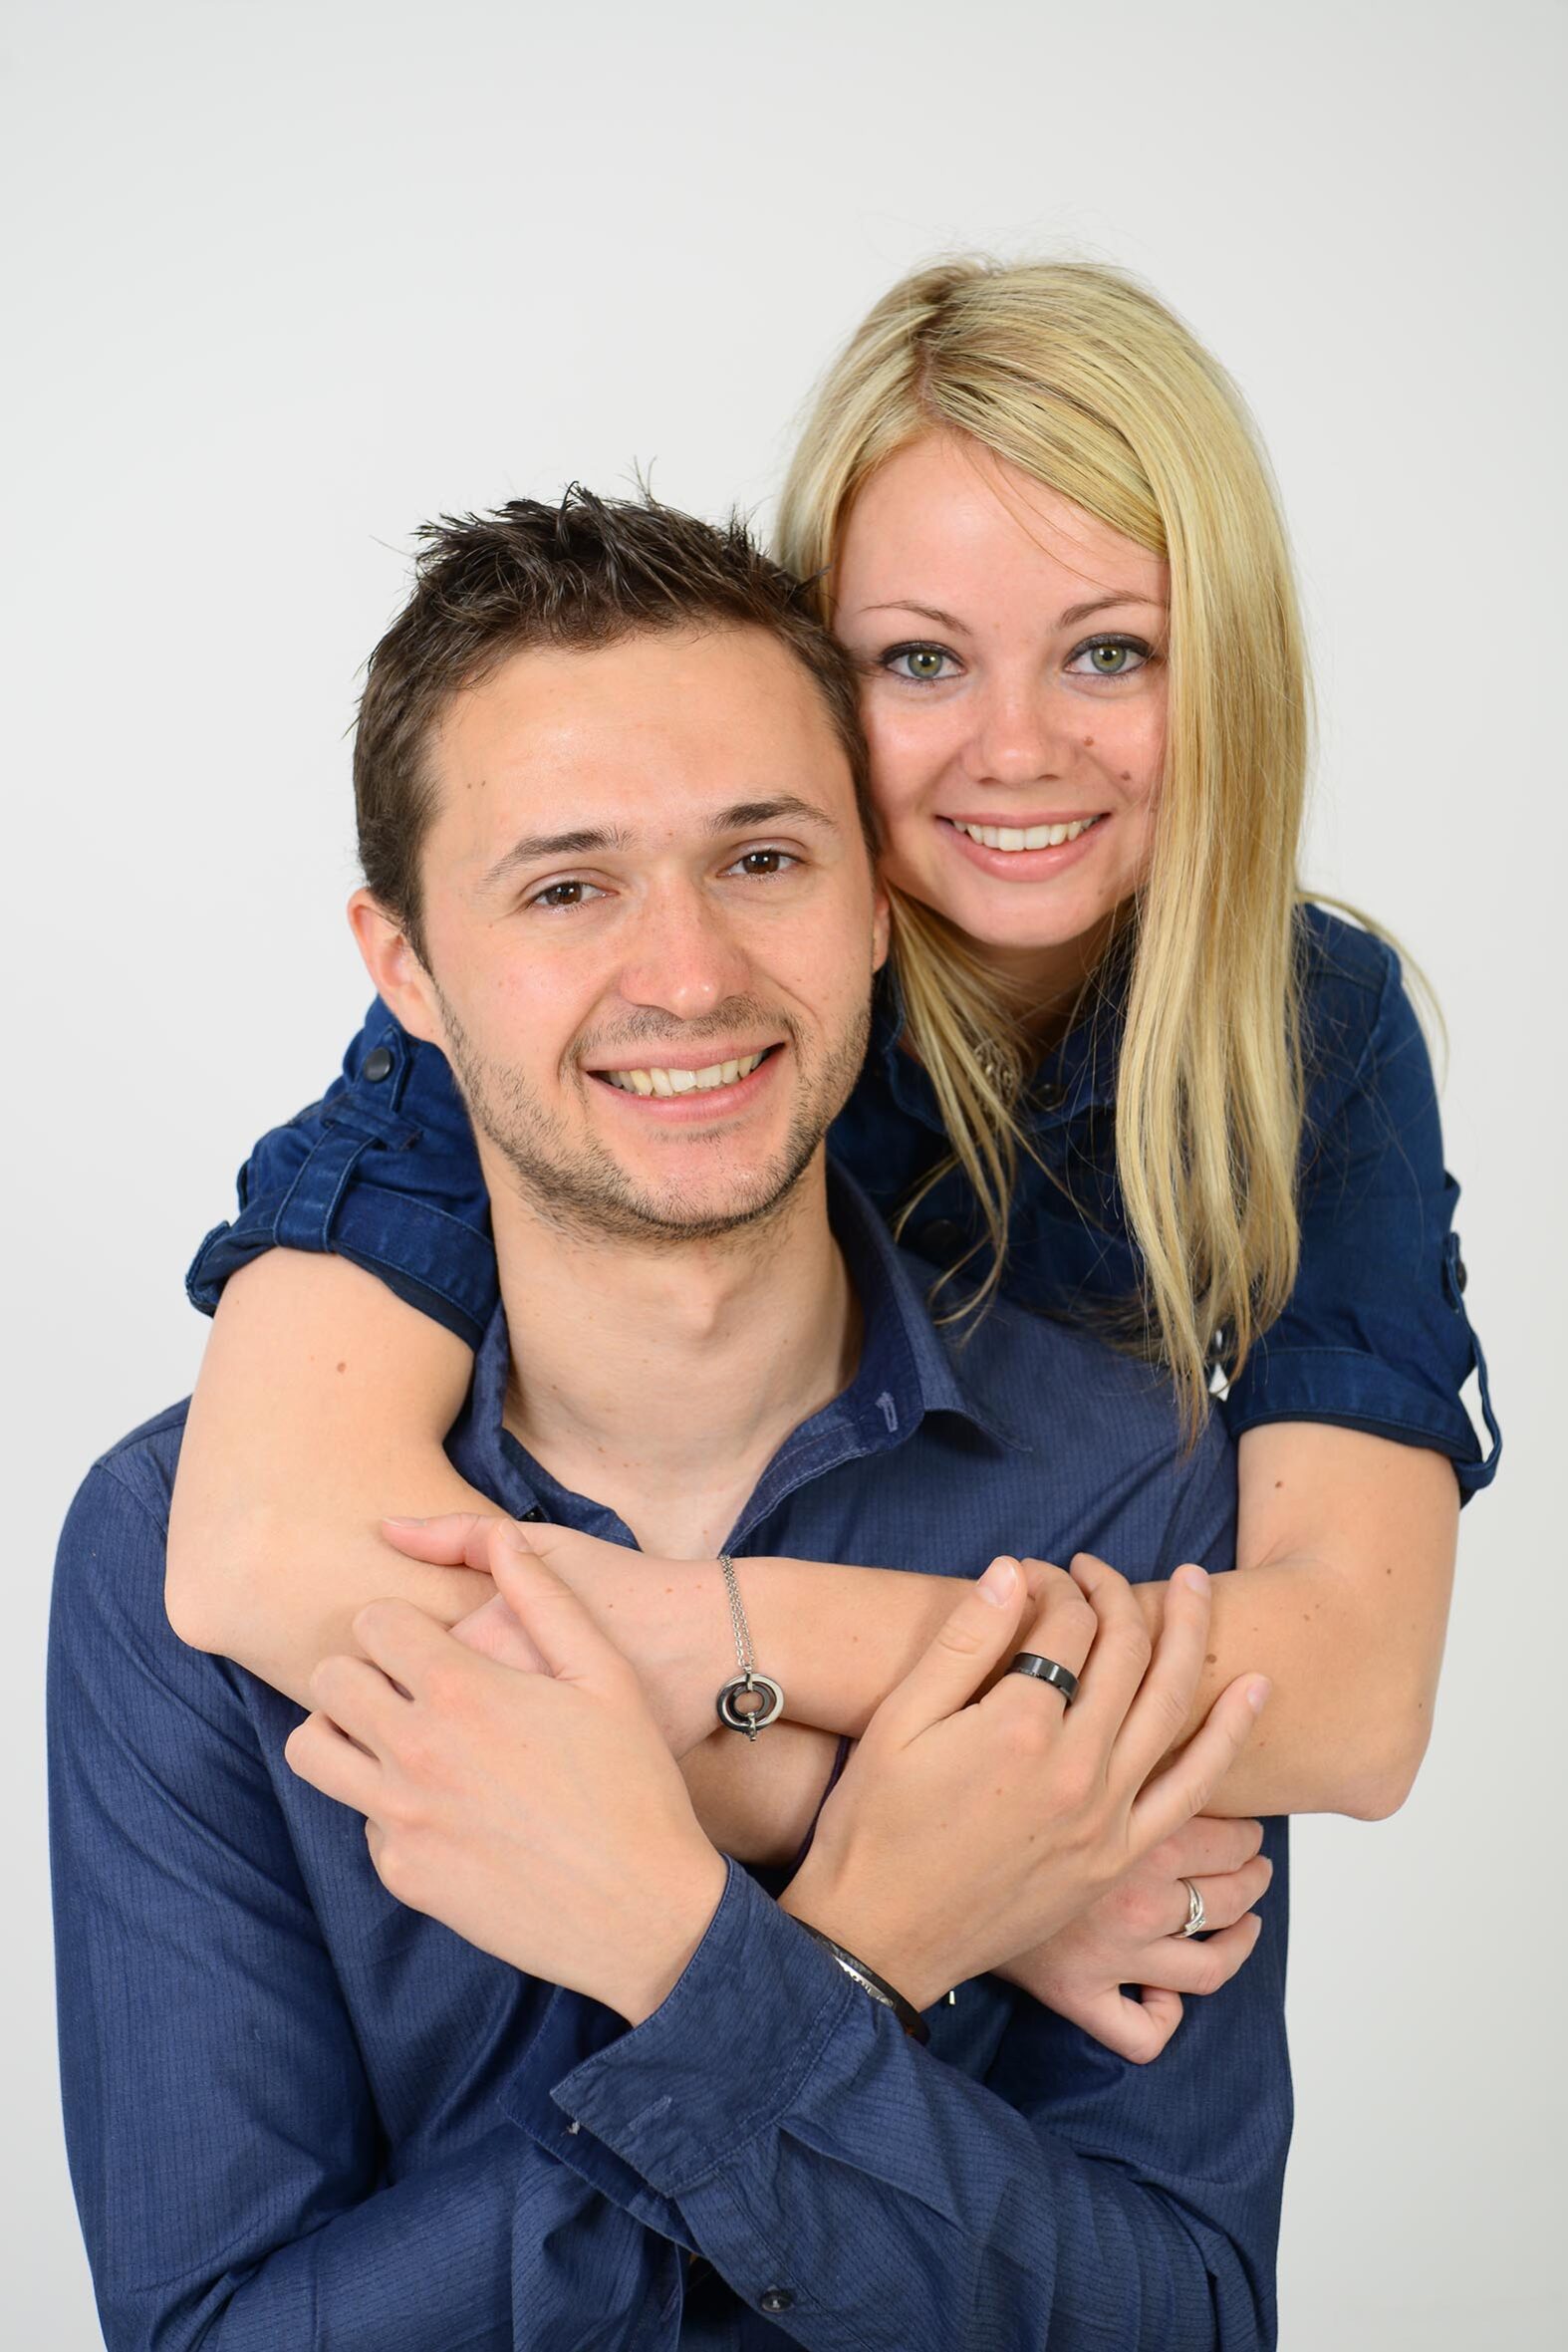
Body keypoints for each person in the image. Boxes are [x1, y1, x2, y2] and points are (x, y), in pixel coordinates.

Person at [52, 494, 1284, 2350]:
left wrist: (698, 1971)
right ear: (404, 970)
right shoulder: (172, 1553)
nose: (689, 977)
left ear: (878, 900)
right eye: (567, 888)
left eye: (762, 859)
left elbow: (1184, 2318)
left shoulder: (1134, 1483)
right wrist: (848, 1948)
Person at [168, 259, 1496, 1851]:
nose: (1018, 750)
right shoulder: (635, 1013)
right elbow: (264, 1542)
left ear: (1225, 663)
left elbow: (1349, 1697)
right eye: (922, 660)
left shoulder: (1310, 1023)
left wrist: (738, 1630)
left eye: (1109, 652)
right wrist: (941, 1833)